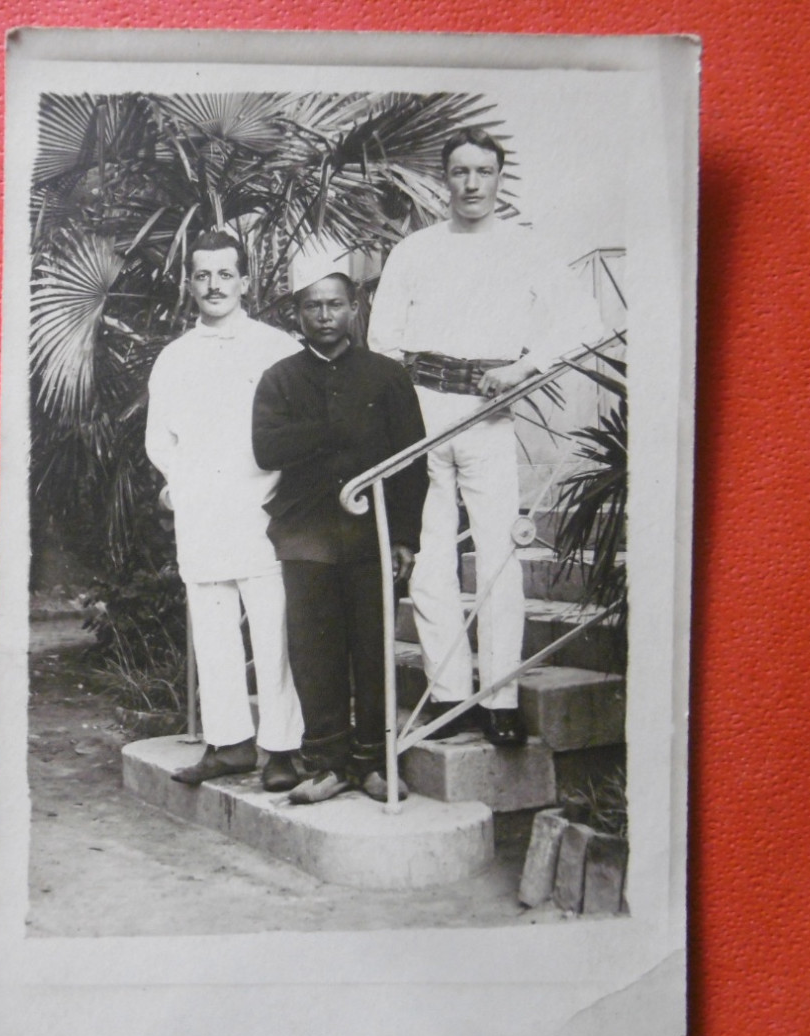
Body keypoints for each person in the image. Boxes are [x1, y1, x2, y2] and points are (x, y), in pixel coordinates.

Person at [367, 127, 605, 747]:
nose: (471, 184)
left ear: (499, 179)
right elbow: (381, 339)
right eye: (460, 172)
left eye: (483, 172)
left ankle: (499, 698)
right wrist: (403, 406)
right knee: (429, 561)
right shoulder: (414, 250)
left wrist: (525, 366)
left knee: (498, 556)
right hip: (418, 413)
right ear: (445, 180)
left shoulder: (527, 249)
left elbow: (585, 324)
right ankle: (450, 696)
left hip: (487, 413)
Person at [252, 238, 427, 803]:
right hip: (305, 534)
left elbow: (410, 461)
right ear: (297, 313)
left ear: (354, 309)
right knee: (315, 651)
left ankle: (371, 763)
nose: (324, 316)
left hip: (371, 535)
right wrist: (331, 428)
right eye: (312, 306)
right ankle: (326, 763)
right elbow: (266, 447)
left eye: (334, 304)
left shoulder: (385, 377)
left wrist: (404, 536)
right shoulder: (279, 377)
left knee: (373, 649)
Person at [144, 230, 304, 789]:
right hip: (203, 511)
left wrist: (277, 490)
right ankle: (229, 742)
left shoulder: (278, 347)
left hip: (264, 509)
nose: (214, 285)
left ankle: (283, 746)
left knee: (274, 630)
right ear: (190, 283)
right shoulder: (174, 357)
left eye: (225, 274)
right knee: (212, 628)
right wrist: (181, 487)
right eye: (203, 275)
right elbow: (159, 440)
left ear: (245, 280)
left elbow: (297, 431)